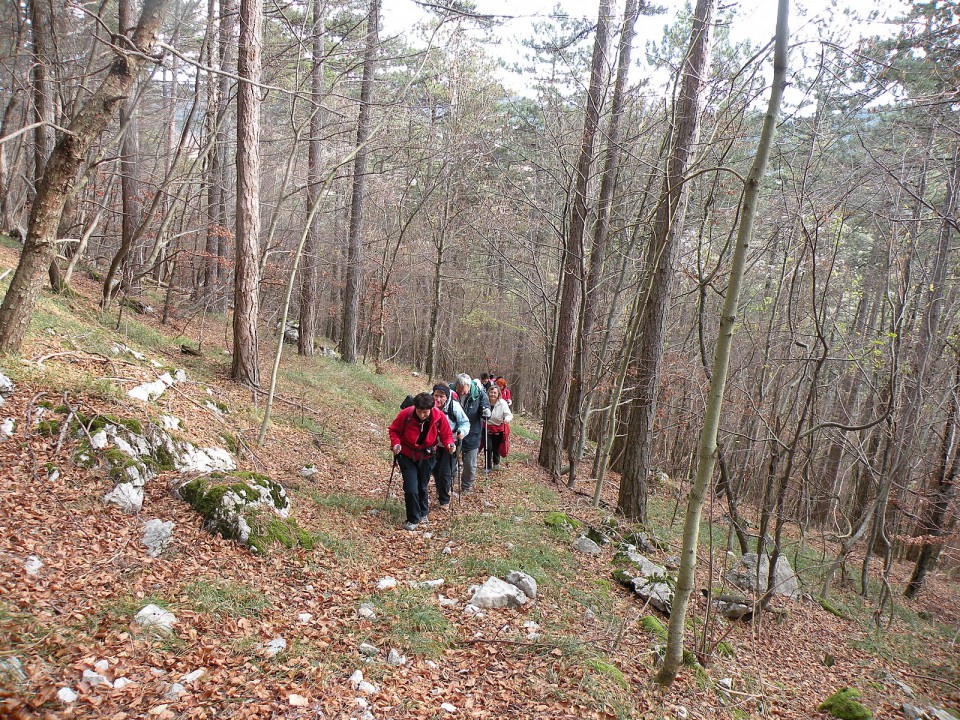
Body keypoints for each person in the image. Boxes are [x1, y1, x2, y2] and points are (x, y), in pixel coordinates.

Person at [389, 392, 455, 531]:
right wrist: (396, 444)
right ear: (415, 408)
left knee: (422, 486)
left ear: (431, 409)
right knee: (411, 487)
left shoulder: (438, 417)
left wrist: (449, 444)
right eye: (419, 411)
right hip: (406, 455)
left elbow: (446, 434)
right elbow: (394, 430)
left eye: (425, 412)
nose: (422, 415)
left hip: (428, 456)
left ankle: (423, 513)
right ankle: (413, 519)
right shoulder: (406, 414)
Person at [431, 383, 469, 508]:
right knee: (435, 470)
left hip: (451, 443)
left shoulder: (454, 407)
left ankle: (444, 500)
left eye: (441, 396)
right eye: (436, 396)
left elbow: (465, 422)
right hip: (434, 443)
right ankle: (440, 490)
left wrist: (462, 433)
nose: (438, 399)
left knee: (445, 472)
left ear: (447, 397)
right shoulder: (429, 405)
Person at [453, 373, 490, 493]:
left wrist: (486, 411)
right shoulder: (451, 391)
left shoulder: (478, 393)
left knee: (469, 464)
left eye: (463, 391)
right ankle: (449, 484)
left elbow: (485, 405)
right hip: (454, 432)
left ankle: (466, 486)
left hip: (473, 433)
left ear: (468, 386)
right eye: (458, 391)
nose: (461, 393)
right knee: (451, 461)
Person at [484, 384, 513, 471]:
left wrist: (506, 419)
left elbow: (509, 415)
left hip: (498, 428)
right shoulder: (485, 402)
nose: (493, 394)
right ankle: (487, 466)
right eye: (491, 392)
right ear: (488, 393)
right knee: (488, 447)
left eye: (495, 393)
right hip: (487, 427)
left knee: (496, 447)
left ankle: (496, 463)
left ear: (498, 394)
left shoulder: (502, 403)